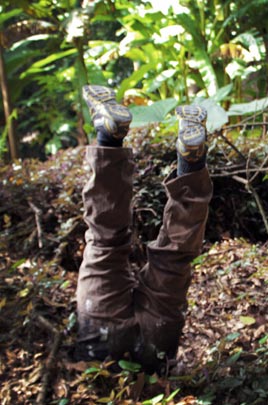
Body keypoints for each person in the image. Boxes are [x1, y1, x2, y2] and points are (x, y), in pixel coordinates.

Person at [75, 85, 213, 372]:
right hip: (103, 335)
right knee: (105, 241)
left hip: (151, 343)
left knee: (175, 258)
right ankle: (108, 135)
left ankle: (191, 161)